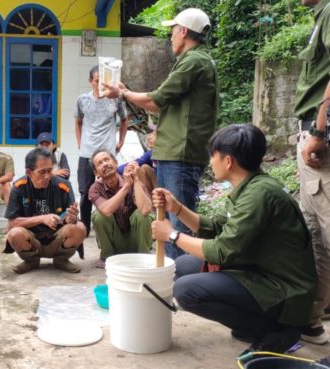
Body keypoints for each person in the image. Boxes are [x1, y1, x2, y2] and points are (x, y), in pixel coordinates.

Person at [151, 124, 317, 354]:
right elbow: (215, 226)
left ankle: (276, 330)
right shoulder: (249, 187)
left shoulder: (259, 195)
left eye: (213, 155)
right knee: (183, 265)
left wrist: (171, 234)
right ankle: (250, 325)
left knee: (187, 290)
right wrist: (177, 208)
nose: (210, 161)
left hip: (283, 291)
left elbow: (222, 250)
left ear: (228, 161)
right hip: (257, 270)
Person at [104, 8, 218, 259]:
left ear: (184, 31)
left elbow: (156, 101)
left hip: (181, 155)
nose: (170, 37)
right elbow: (163, 100)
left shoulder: (193, 61)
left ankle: (179, 285)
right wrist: (127, 91)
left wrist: (123, 93)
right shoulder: (197, 60)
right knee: (166, 219)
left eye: (172, 32)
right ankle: (168, 278)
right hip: (176, 153)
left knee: (178, 224)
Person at [292, 0, 330, 345]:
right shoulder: (321, 15)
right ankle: (312, 320)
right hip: (311, 141)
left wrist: (321, 132)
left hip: (320, 142)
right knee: (313, 235)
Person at [3, 148, 86, 274]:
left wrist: (72, 218)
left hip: (57, 238)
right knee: (14, 233)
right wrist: (42, 218)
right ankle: (31, 261)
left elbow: (71, 219)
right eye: (42, 172)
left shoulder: (63, 186)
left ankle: (61, 260)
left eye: (50, 170)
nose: (47, 176)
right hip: (32, 240)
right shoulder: (19, 187)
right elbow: (12, 223)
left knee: (80, 228)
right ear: (29, 172)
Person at [75, 65, 129, 237]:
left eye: (103, 82)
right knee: (85, 192)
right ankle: (84, 228)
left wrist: (121, 141)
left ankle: (110, 227)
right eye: (97, 81)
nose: (100, 85)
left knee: (110, 189)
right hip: (87, 154)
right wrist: (79, 143)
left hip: (107, 154)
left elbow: (125, 119)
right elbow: (78, 121)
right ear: (90, 81)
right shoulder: (82, 100)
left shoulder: (115, 99)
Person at [89, 150, 153, 268]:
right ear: (95, 172)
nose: (105, 164)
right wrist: (127, 186)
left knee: (142, 215)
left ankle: (143, 256)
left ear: (116, 163)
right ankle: (107, 257)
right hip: (116, 243)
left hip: (136, 241)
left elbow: (145, 210)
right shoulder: (95, 189)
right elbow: (106, 210)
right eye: (100, 163)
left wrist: (136, 180)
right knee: (98, 215)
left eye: (107, 160)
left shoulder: (133, 179)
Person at [117, 128, 157, 195]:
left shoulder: (156, 154)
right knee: (144, 167)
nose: (150, 137)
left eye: (154, 135)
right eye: (151, 134)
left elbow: (138, 162)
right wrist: (115, 171)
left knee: (142, 168)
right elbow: (138, 162)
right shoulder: (151, 153)